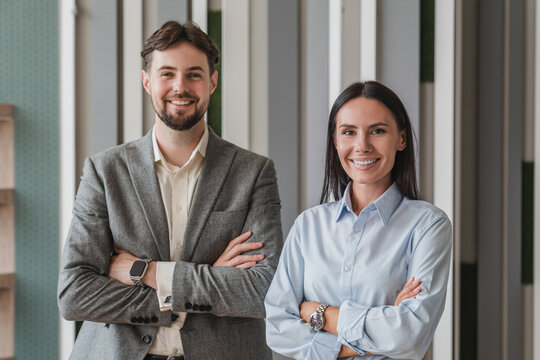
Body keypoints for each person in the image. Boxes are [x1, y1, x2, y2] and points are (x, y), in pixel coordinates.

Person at [58, 21, 282, 360]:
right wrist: (189, 294)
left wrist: (146, 272)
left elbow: (262, 290)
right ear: (147, 81)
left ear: (213, 82)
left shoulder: (253, 173)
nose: (180, 86)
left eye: (194, 74)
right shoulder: (105, 172)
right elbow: (75, 293)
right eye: (167, 74)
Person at [264, 81, 452, 359]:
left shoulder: (428, 226)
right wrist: (379, 330)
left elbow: (410, 336)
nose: (362, 146)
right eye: (349, 132)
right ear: (335, 141)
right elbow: (277, 328)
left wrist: (317, 313)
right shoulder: (308, 226)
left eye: (377, 131)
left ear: (401, 139)